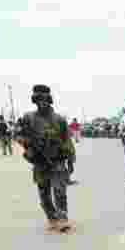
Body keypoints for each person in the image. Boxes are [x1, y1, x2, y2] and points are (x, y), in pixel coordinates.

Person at [16, 85, 77, 232]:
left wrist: (71, 160)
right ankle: (52, 218)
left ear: (49, 100)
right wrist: (27, 144)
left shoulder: (59, 120)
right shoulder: (28, 118)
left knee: (59, 191)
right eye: (38, 99)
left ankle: (63, 219)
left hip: (57, 160)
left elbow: (67, 140)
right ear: (34, 100)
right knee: (44, 193)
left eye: (44, 99)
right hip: (39, 161)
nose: (42, 103)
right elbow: (19, 135)